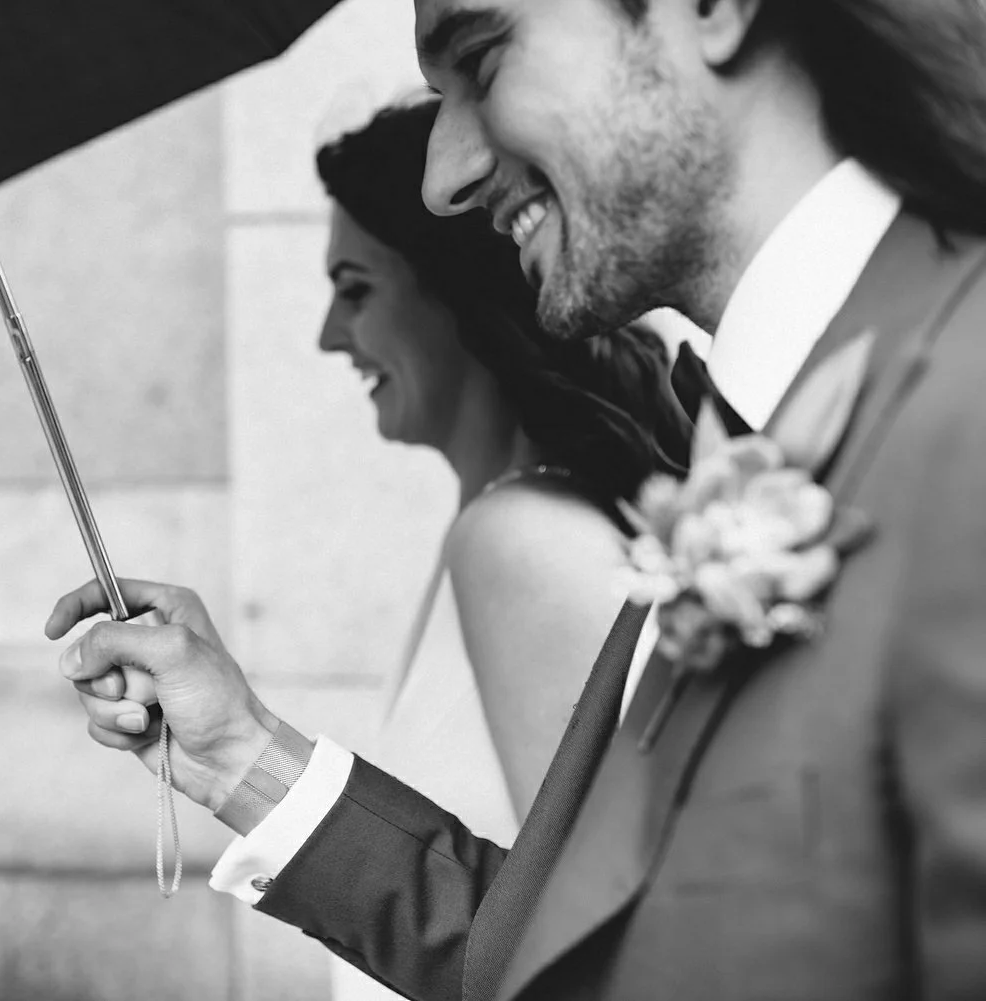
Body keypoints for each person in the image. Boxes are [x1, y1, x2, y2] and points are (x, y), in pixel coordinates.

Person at [47, 1, 986, 998]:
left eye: (484, 61)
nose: (443, 176)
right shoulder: (741, 455)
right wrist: (241, 753)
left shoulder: (962, 411)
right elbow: (579, 962)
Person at [314, 96, 687, 1001]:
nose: (329, 337)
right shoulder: (493, 524)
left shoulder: (516, 540)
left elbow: (588, 954)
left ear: (457, 296)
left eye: (356, 289)